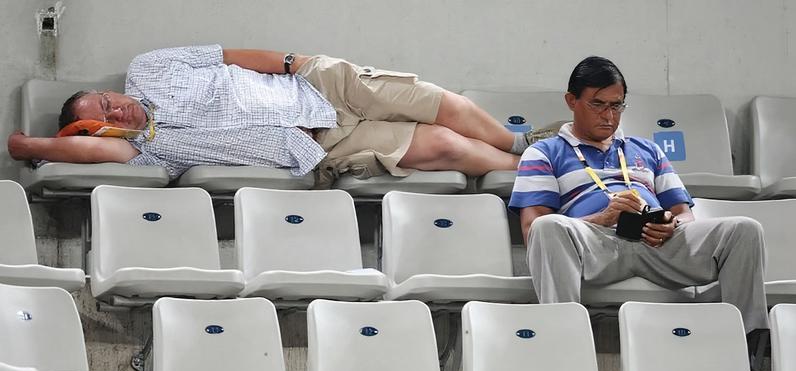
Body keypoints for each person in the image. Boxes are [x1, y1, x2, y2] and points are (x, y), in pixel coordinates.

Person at [509, 56, 770, 371]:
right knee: (549, 228)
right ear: (572, 101)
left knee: (745, 229)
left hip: (657, 243)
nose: (609, 115)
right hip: (595, 246)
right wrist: (602, 218)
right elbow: (533, 230)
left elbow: (684, 213)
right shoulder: (544, 152)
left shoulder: (648, 150)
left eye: (617, 106)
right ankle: (564, 355)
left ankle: (745, 360)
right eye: (598, 104)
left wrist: (671, 224)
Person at [7, 45, 529, 185]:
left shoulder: (149, 68)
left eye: (106, 100)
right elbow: (82, 149)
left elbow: (227, 55)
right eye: (103, 118)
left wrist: (292, 62)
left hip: (315, 85)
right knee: (445, 145)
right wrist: (30, 146)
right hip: (317, 143)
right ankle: (538, 170)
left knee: (443, 103)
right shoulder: (148, 150)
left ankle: (522, 146)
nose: (116, 109)